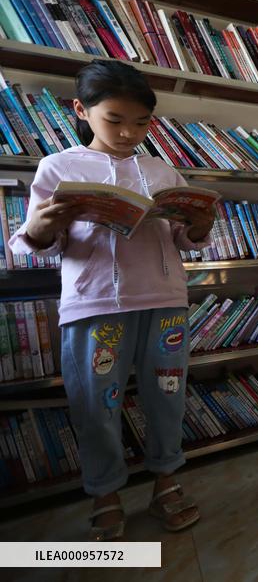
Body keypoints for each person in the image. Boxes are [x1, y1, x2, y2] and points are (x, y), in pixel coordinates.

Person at [9, 60, 215, 540]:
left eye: (141, 123)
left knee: (168, 396)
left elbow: (185, 237)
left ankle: (166, 479)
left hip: (164, 300)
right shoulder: (58, 166)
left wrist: (199, 226)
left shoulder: (162, 169)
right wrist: (42, 227)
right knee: (95, 404)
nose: (128, 134)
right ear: (82, 110)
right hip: (95, 304)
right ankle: (105, 491)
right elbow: (39, 239)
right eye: (115, 120)